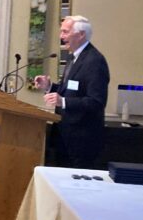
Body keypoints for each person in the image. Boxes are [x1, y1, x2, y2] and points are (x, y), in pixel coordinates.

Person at [33, 15, 110, 169]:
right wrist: (49, 87)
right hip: (65, 136)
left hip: (82, 141)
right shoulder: (73, 57)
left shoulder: (95, 61)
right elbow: (71, 91)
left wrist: (63, 101)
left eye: (65, 32)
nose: (61, 36)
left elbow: (97, 102)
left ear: (81, 34)